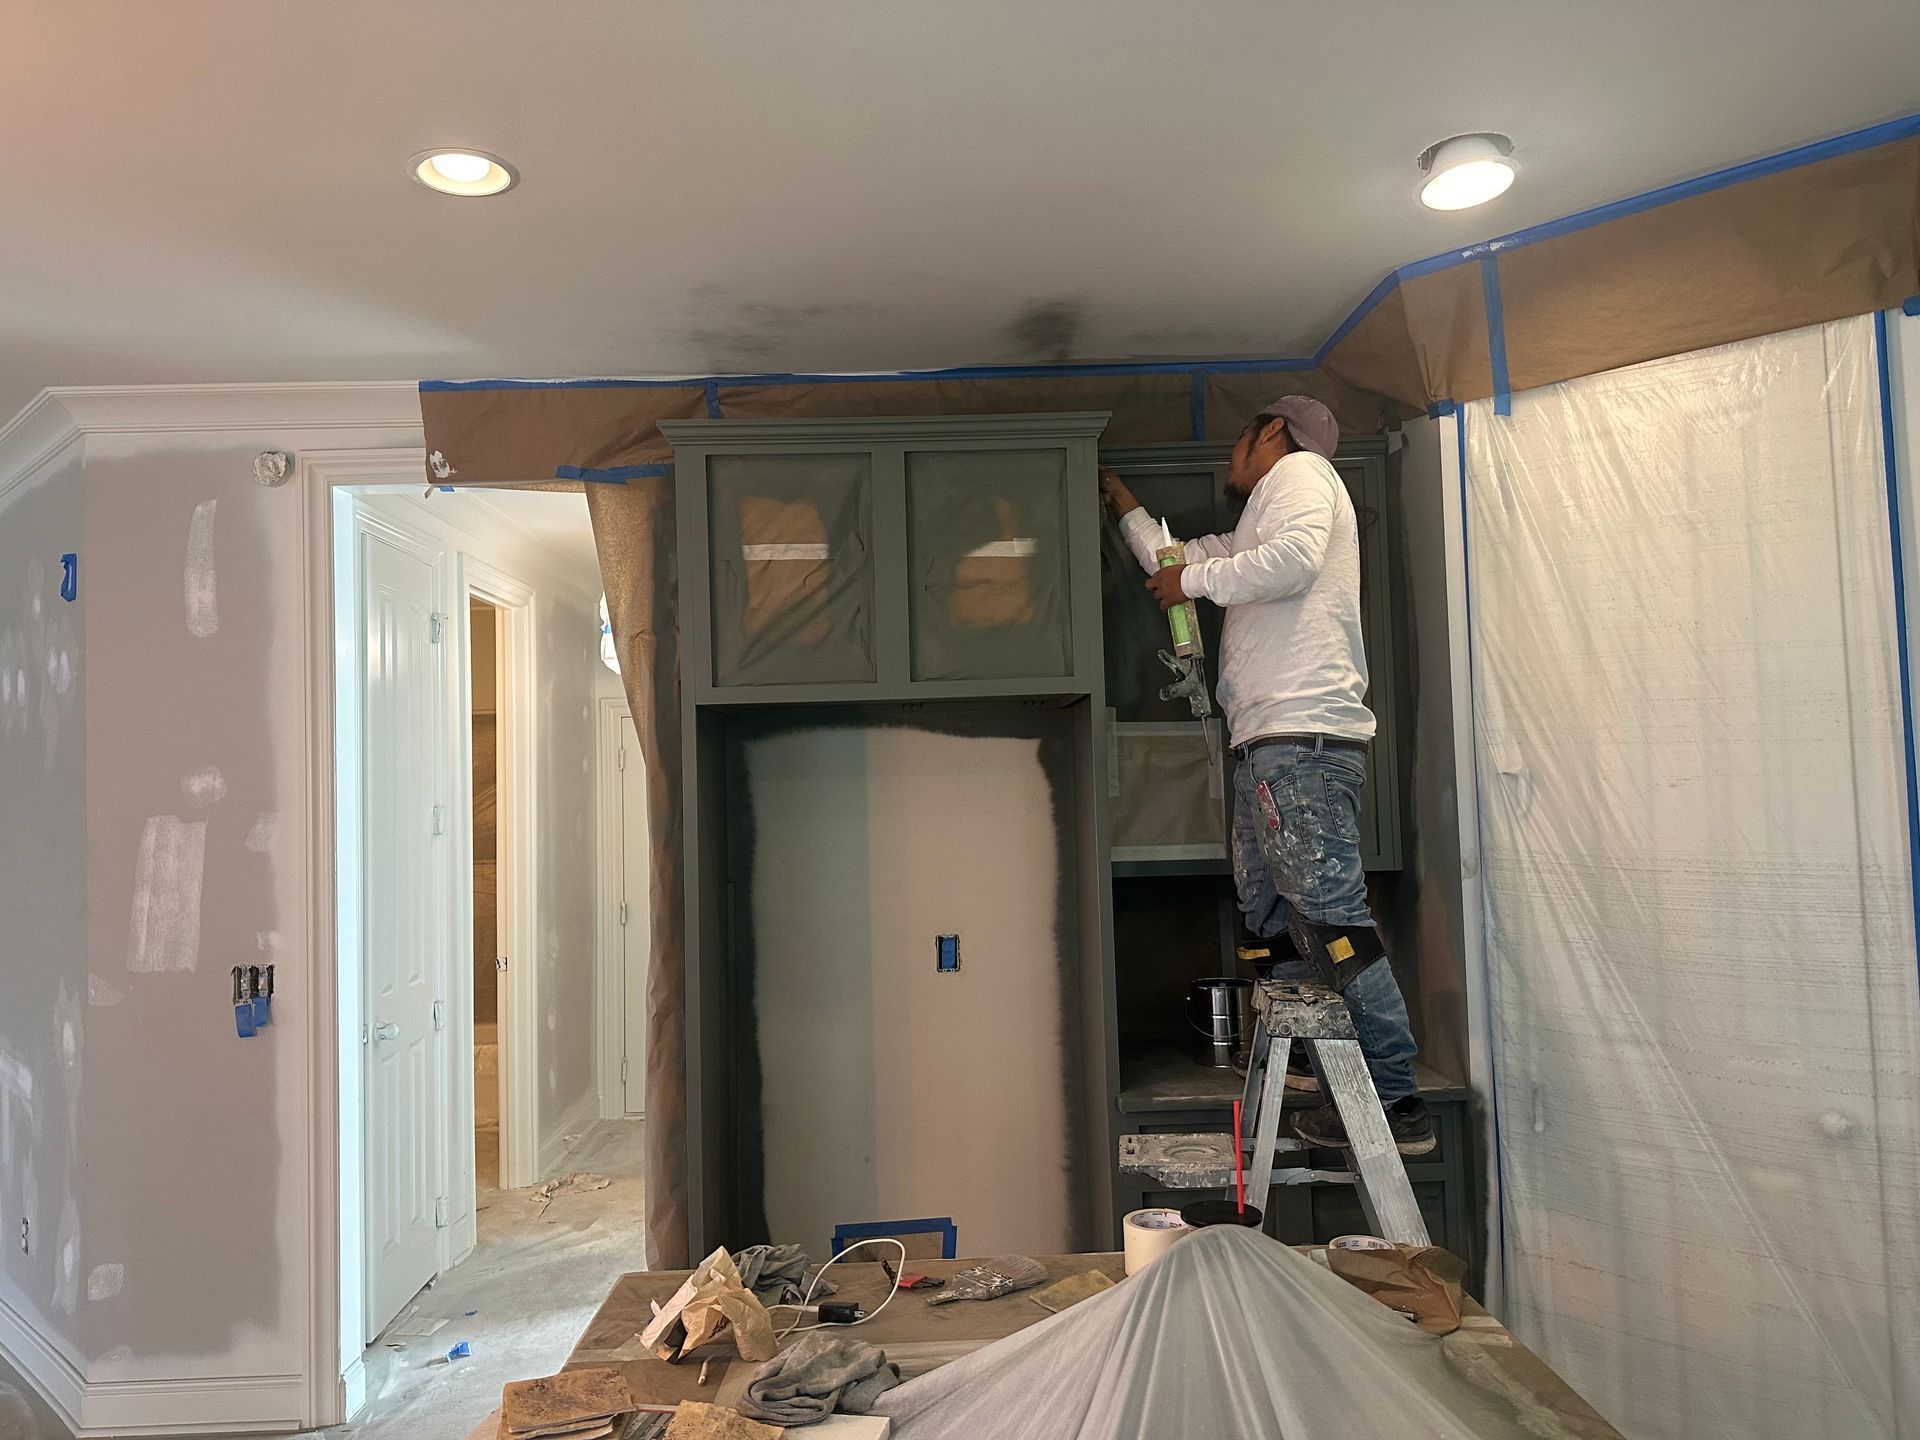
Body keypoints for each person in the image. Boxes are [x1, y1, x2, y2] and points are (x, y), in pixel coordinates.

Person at [1101, 394, 1432, 1155]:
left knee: (1333, 922)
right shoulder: (1261, 519)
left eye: (1238, 443)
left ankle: (1392, 1099)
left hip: (1302, 737)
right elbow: (1179, 562)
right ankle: (1321, 1062)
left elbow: (1290, 564)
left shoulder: (1305, 474)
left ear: (1271, 431)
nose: (1230, 461)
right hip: (1266, 741)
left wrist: (1190, 587)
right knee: (1272, 918)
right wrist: (1126, 508)